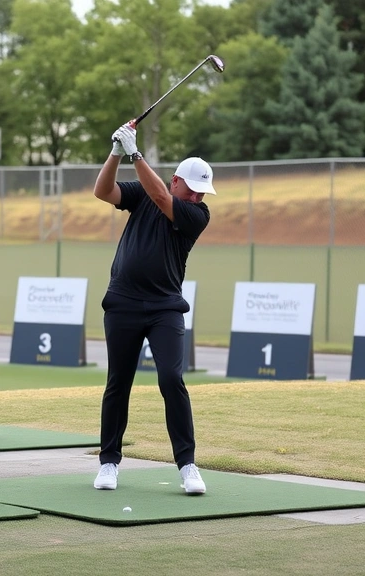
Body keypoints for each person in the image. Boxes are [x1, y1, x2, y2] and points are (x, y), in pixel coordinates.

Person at [90, 123, 215, 495]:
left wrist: (135, 153)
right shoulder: (144, 192)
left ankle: (188, 465)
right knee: (118, 382)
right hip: (122, 304)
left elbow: (161, 197)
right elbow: (103, 191)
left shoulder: (196, 214)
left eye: (202, 193)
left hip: (165, 308)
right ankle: (109, 462)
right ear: (177, 181)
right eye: (192, 190)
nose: (197, 197)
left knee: (171, 379)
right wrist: (116, 153)